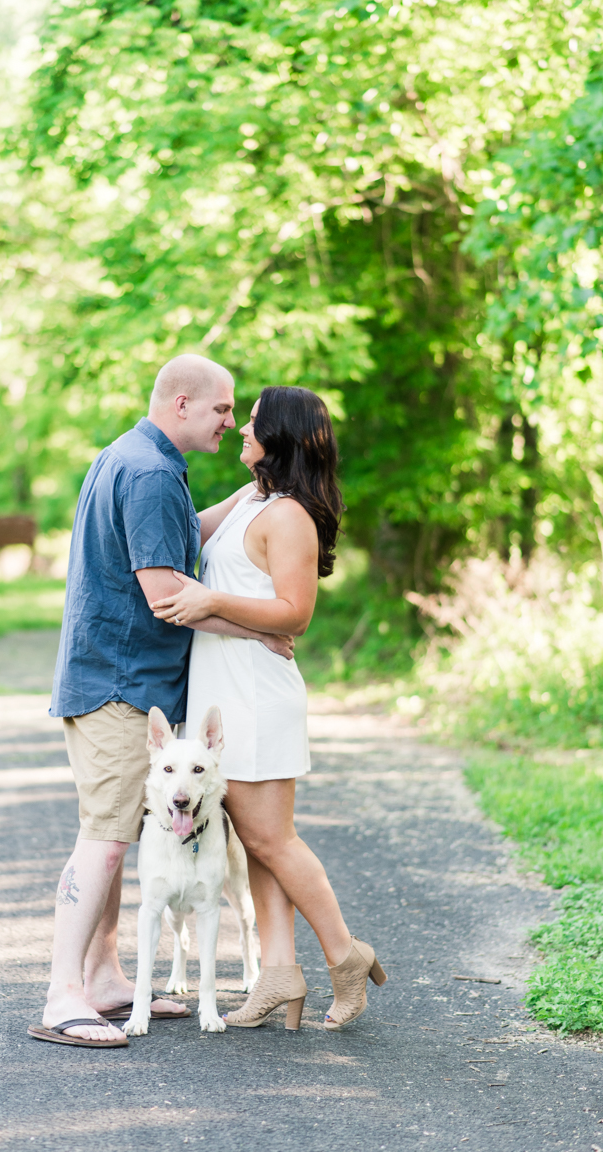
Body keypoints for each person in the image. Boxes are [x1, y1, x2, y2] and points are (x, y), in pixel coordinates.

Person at [28, 355, 295, 1048]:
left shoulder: (140, 457)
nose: (232, 421)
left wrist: (250, 492)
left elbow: (183, 539)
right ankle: (63, 992)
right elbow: (168, 596)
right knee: (108, 841)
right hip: (120, 685)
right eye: (221, 409)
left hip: (115, 679)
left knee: (111, 831)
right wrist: (259, 629)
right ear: (182, 403)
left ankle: (107, 977)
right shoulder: (148, 474)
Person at [151, 386, 386, 1031]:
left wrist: (209, 603)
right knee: (254, 840)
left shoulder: (289, 517)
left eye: (252, 420)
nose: (240, 426)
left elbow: (295, 612)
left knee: (269, 837)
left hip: (256, 688)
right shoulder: (254, 497)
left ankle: (344, 955)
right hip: (222, 686)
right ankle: (278, 972)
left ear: (279, 435)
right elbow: (188, 529)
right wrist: (138, 484)